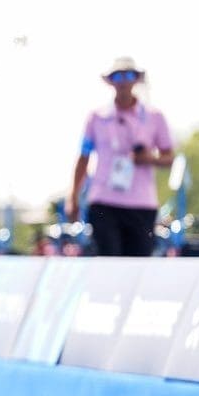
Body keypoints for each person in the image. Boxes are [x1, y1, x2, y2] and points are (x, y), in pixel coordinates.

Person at [66, 56, 174, 257]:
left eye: (129, 75)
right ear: (111, 81)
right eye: (118, 76)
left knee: (137, 266)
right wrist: (73, 196)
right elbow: (84, 157)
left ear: (136, 80)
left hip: (141, 203)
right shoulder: (96, 117)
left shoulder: (154, 117)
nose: (123, 81)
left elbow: (169, 158)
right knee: (108, 261)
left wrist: (148, 158)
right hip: (103, 201)